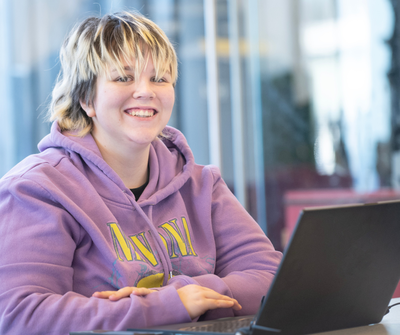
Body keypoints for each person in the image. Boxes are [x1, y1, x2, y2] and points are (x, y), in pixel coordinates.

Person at [0, 11, 282, 335]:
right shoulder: (35, 190)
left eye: (159, 78)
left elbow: (270, 277)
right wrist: (166, 306)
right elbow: (21, 316)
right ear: (86, 98)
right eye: (123, 77)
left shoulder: (201, 184)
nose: (145, 91)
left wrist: (192, 294)